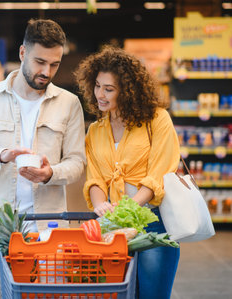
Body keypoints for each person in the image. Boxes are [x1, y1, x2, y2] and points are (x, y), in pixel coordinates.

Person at [0, 19, 86, 298]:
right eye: (40, 62)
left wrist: (52, 174)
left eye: (54, 64)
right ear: (23, 53)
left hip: (49, 227)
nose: (46, 71)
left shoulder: (69, 104)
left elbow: (77, 162)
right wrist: (0, 156)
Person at [73, 46, 180, 299]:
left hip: (153, 222)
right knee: (114, 294)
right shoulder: (96, 130)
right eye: (98, 85)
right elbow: (95, 178)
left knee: (152, 294)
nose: (100, 94)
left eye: (109, 89)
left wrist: (127, 210)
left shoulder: (157, 120)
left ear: (129, 91)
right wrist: (100, 207)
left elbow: (160, 172)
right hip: (113, 226)